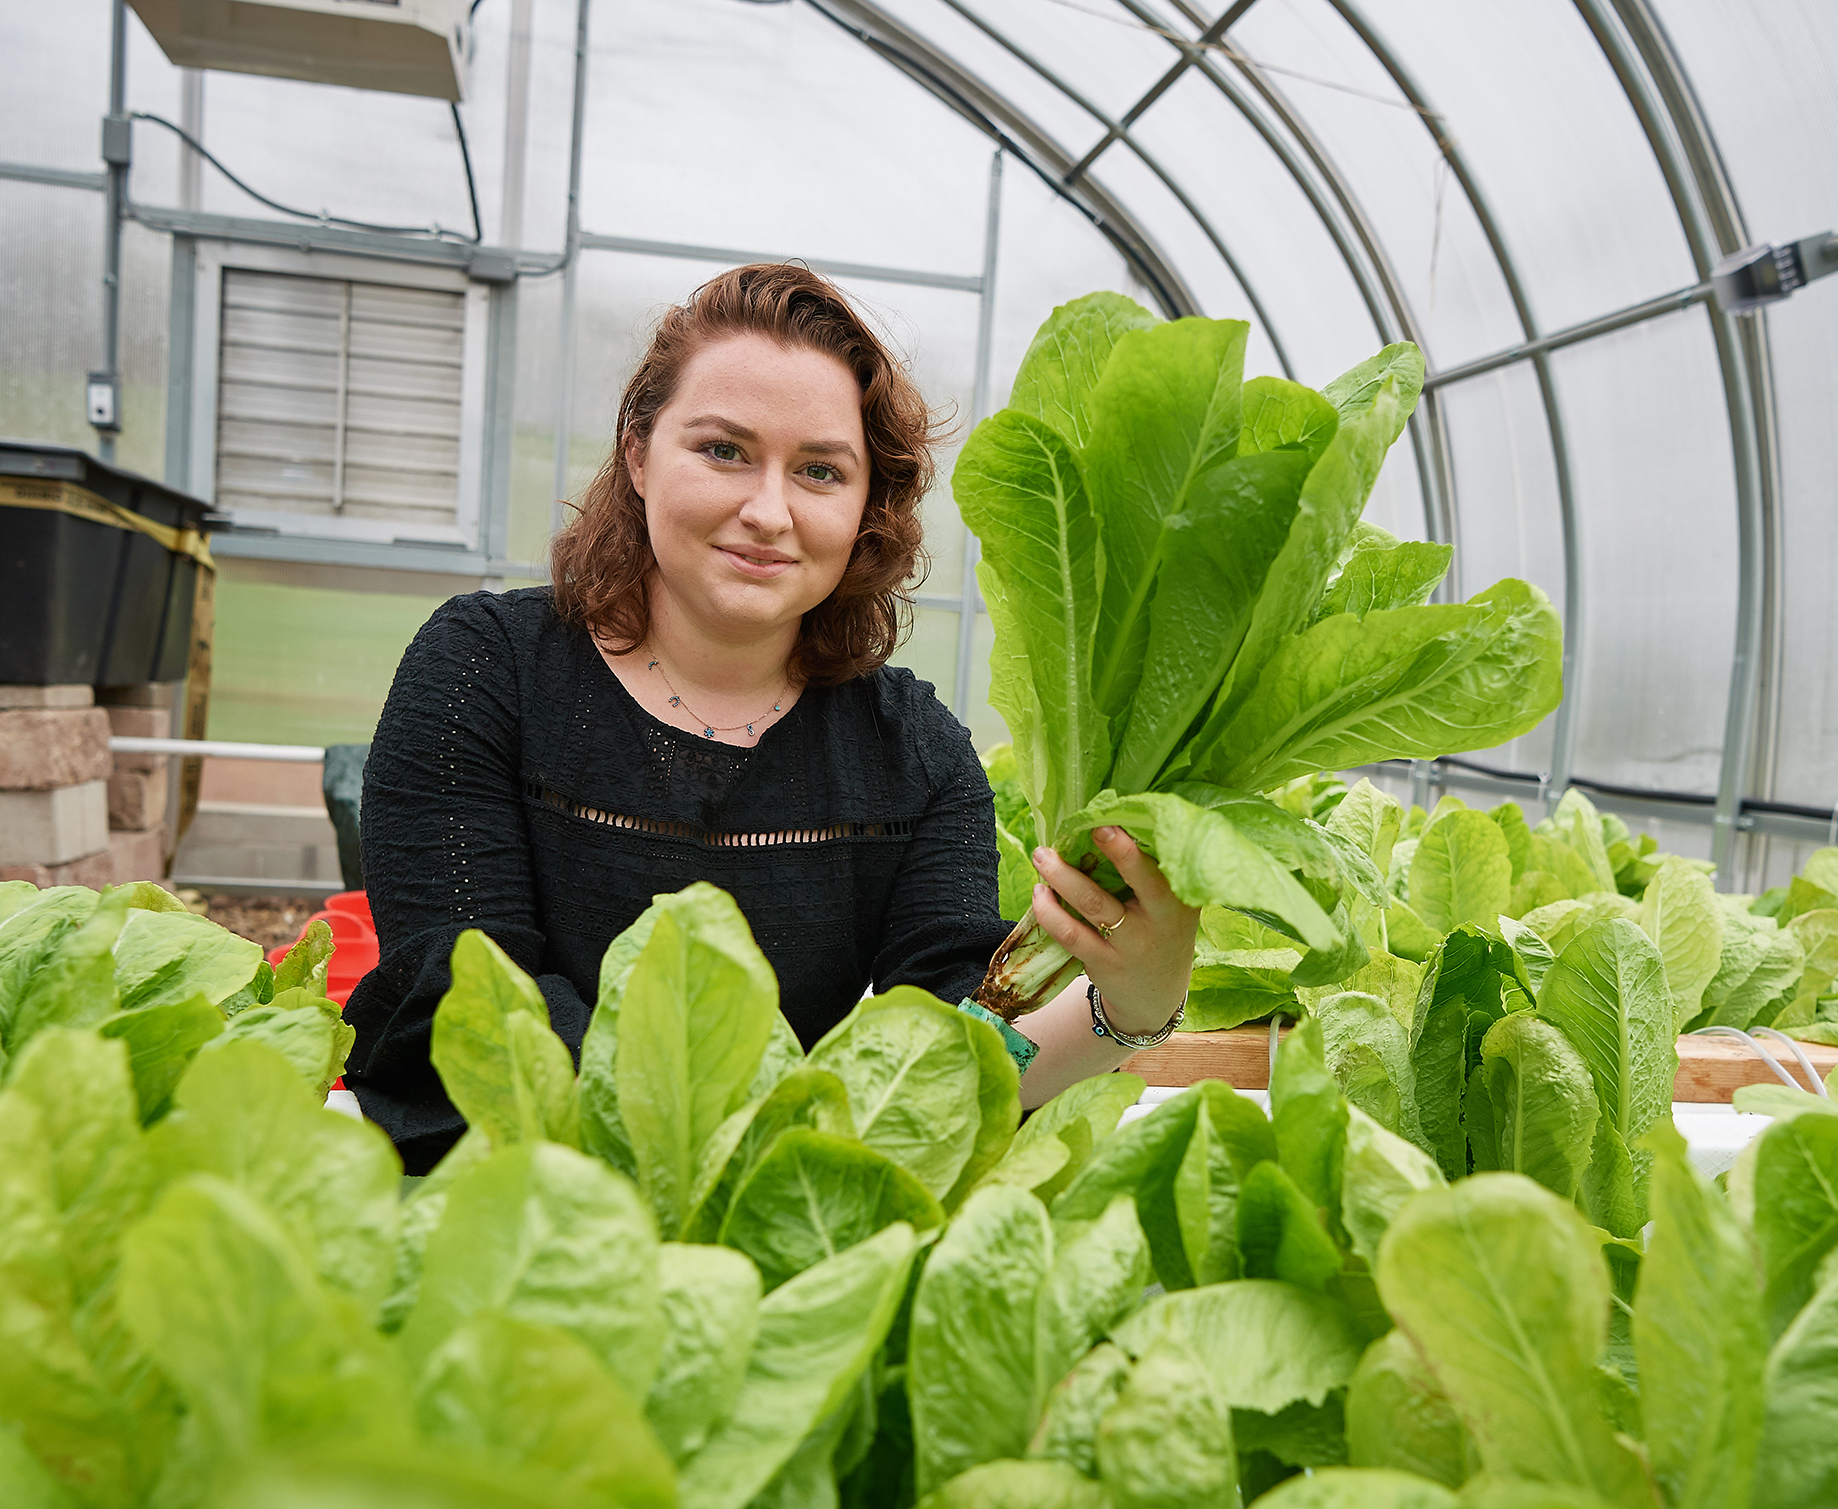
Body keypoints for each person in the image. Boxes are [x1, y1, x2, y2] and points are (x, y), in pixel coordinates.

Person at [343, 263, 1198, 1171]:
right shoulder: (485, 668)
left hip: (758, 1243)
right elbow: (468, 988)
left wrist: (1131, 1006)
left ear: (869, 505)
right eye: (723, 450)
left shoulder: (914, 754)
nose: (767, 511)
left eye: (820, 471)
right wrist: (742, 1150)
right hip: (504, 1206)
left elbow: (958, 1049)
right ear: (638, 455)